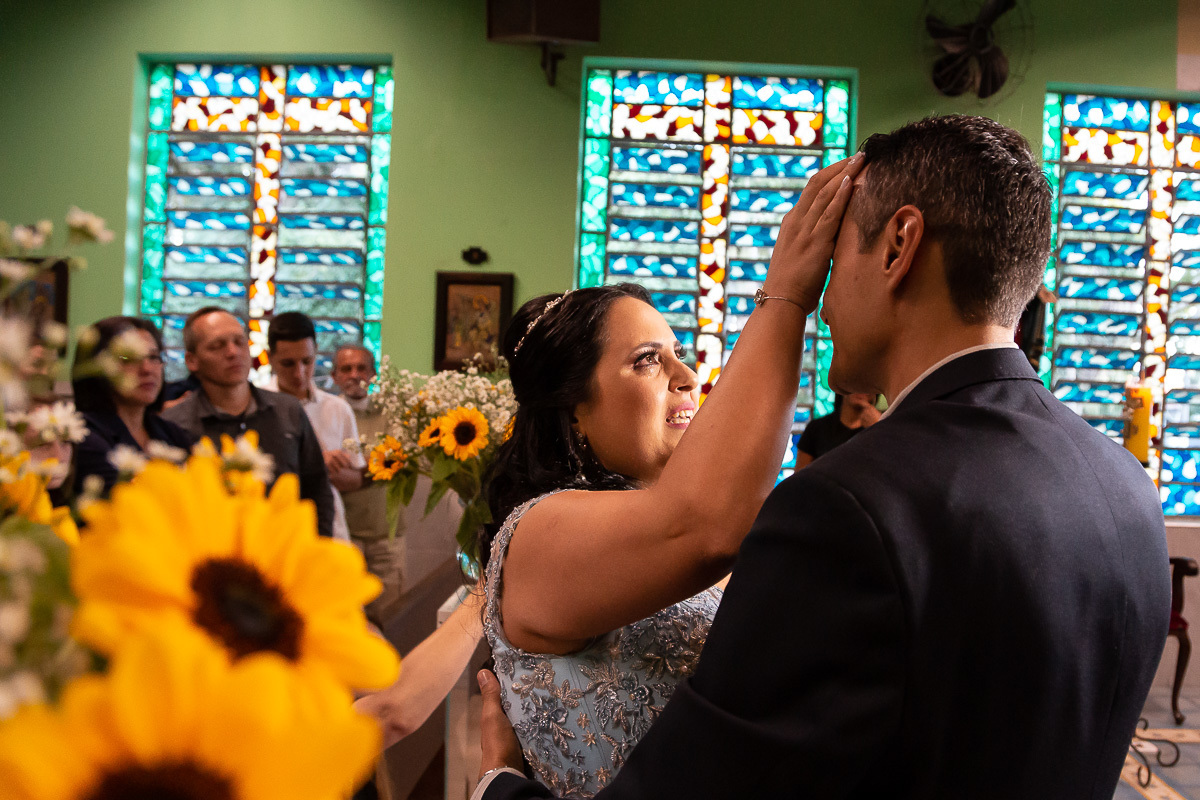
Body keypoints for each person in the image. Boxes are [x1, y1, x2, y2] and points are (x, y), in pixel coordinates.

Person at [474, 115, 1170, 799]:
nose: (825, 298)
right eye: (651, 360)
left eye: (834, 257)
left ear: (898, 246)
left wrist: (500, 790)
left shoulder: (848, 507)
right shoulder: (1125, 486)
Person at [161, 307, 335, 537]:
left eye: (239, 342)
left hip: (282, 556)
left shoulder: (288, 412)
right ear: (192, 361)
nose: (233, 352)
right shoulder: (173, 425)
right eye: (217, 346)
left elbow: (317, 491)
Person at [265, 312, 364, 542]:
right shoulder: (257, 407)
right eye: (288, 363)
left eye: (306, 361)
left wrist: (331, 470)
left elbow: (355, 479)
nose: (299, 373)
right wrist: (317, 462)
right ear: (270, 357)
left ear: (316, 352)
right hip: (276, 533)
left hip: (330, 533)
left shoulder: (337, 408)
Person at [71, 316, 195, 496]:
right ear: (99, 365)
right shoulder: (86, 435)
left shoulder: (171, 433)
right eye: (129, 358)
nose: (147, 368)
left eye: (153, 357)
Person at [333, 344, 407, 624]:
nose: (355, 375)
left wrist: (352, 467)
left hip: (385, 536)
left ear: (373, 374)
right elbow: (326, 468)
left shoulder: (392, 414)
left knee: (390, 618)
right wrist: (374, 461)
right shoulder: (329, 413)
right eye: (346, 369)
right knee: (345, 621)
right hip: (342, 535)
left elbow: (398, 461)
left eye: (361, 367)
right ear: (334, 376)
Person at [794, 391, 880, 467]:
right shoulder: (816, 428)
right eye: (856, 382)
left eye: (867, 384)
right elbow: (799, 476)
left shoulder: (878, 430)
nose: (860, 388)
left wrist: (879, 428)